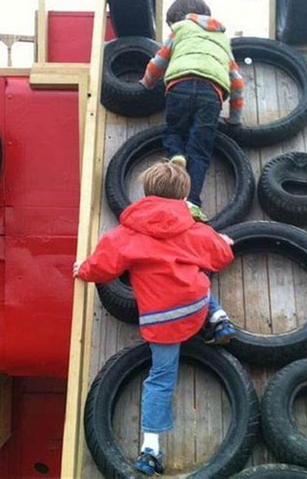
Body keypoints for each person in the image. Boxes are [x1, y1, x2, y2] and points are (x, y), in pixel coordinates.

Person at [73, 160, 236, 475]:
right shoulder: (194, 228)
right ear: (184, 195)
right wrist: (223, 242)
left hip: (161, 318)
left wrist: (83, 269)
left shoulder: (125, 234)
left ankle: (150, 449)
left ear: (146, 192)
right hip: (194, 304)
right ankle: (218, 319)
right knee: (198, 273)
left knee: (161, 379)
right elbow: (221, 256)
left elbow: (103, 267)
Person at [140, 0, 244, 221]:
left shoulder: (180, 29)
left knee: (174, 130)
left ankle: (176, 154)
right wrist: (235, 117)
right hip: (212, 93)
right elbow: (237, 81)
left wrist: (146, 83)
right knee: (200, 148)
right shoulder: (222, 39)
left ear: (177, 18)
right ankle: (192, 202)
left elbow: (159, 61)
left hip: (180, 85)